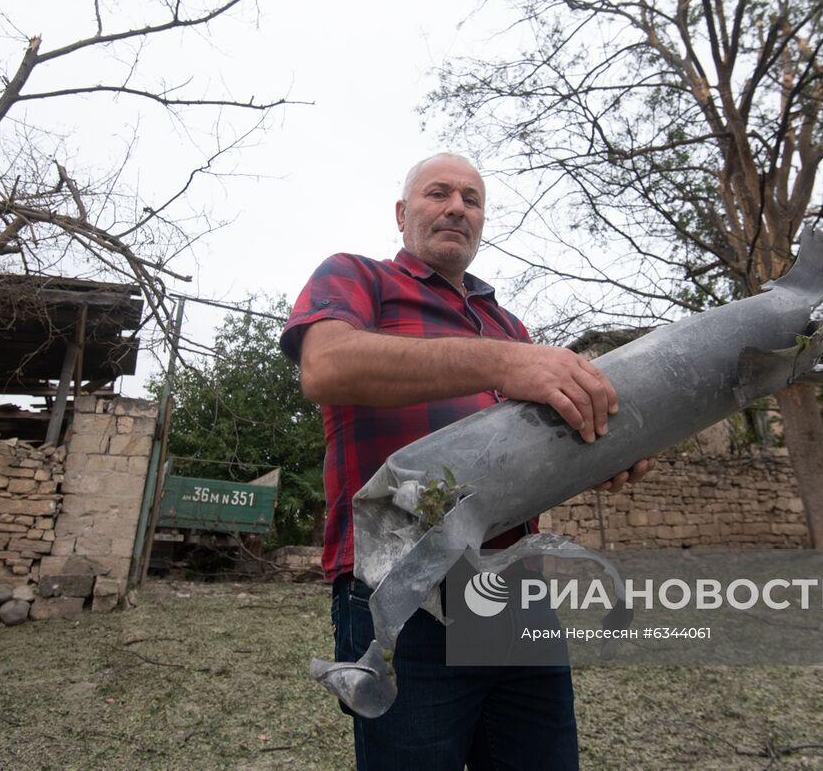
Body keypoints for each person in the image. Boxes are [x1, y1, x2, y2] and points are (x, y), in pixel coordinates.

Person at [280, 152, 653, 770]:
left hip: (512, 586)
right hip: (399, 583)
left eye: (472, 200)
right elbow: (326, 365)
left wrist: (602, 450)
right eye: (439, 194)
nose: (457, 207)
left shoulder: (508, 324)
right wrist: (506, 362)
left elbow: (532, 461)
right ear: (403, 214)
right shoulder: (357, 277)